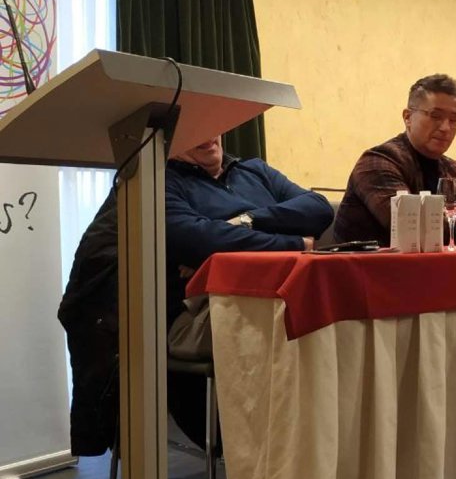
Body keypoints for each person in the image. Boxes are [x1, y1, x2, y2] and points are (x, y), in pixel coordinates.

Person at [59, 136, 333, 453]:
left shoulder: (255, 170)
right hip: (195, 313)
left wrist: (246, 221)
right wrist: (296, 243)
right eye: (196, 129)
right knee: (302, 323)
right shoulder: (158, 180)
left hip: (271, 298)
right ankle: (284, 450)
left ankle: (317, 448)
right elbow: (201, 240)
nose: (209, 134)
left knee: (329, 316)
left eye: (214, 125)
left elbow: (318, 208)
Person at [334, 74, 456, 245]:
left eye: (454, 120)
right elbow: (414, 226)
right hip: (369, 266)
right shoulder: (378, 162)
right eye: (436, 116)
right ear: (408, 117)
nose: (446, 128)